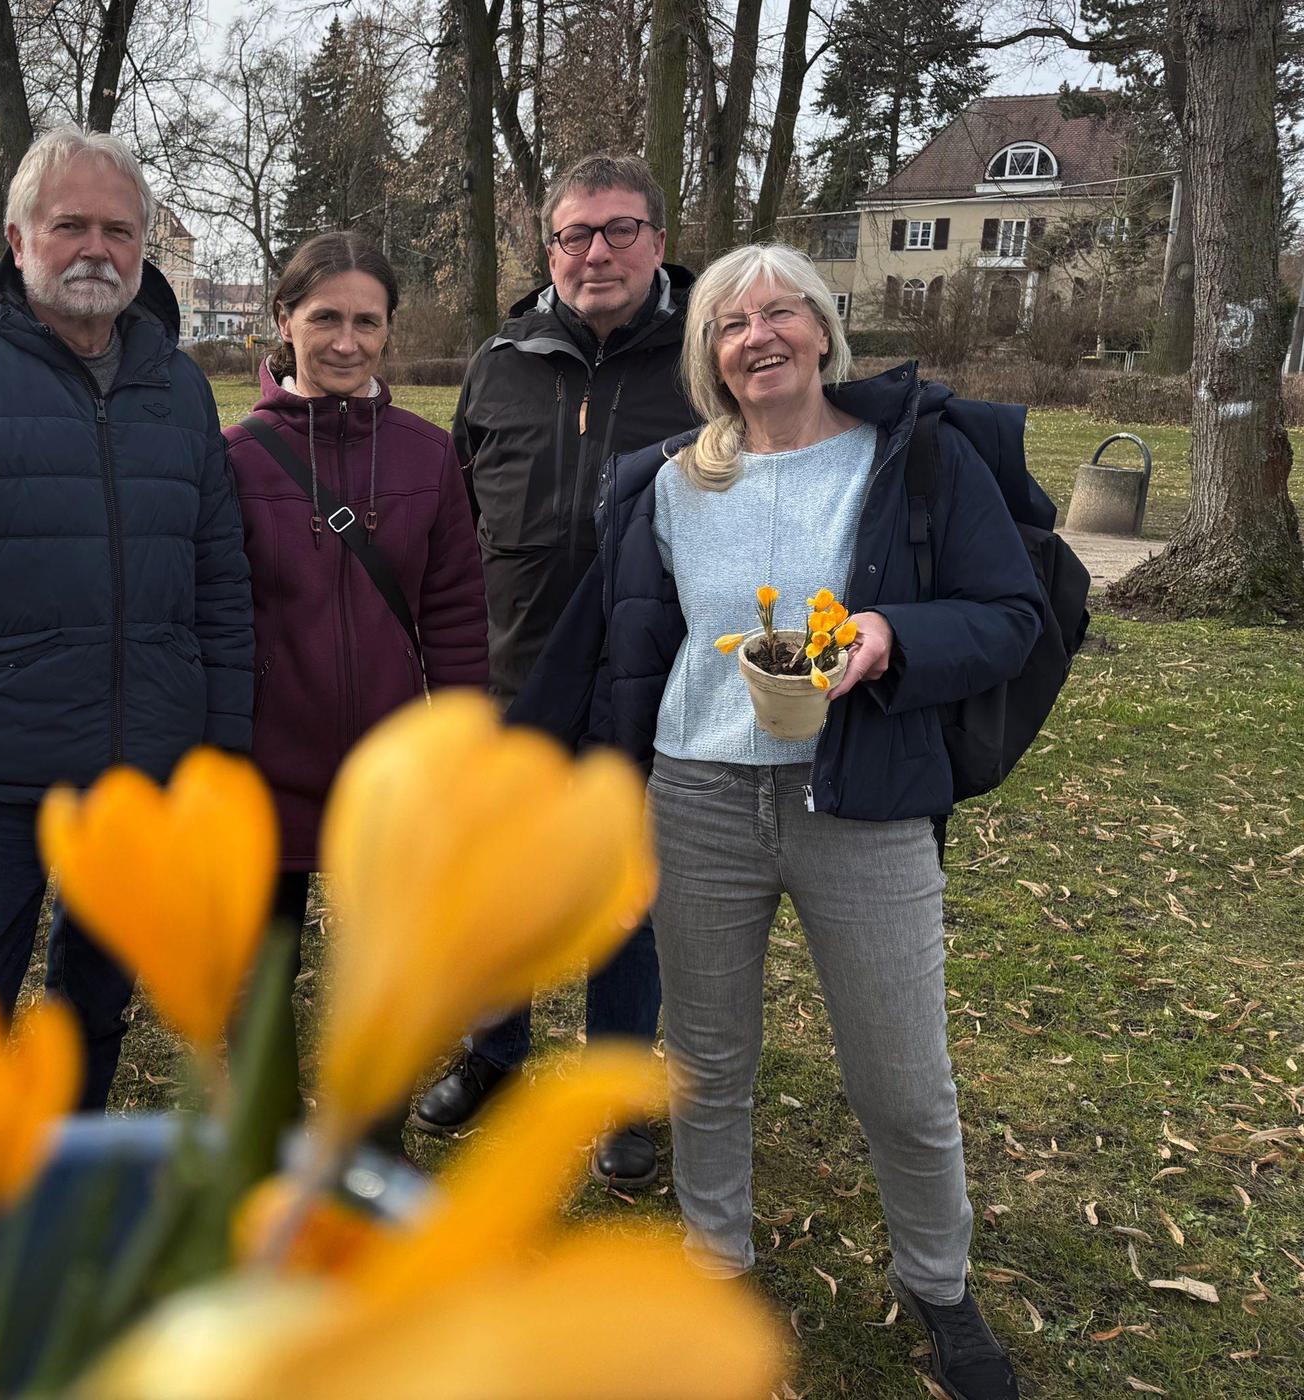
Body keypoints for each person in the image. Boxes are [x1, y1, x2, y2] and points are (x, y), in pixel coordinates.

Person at [514, 241, 1040, 1400]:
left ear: (822, 330)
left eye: (780, 312)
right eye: (730, 321)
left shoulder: (914, 460)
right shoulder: (664, 481)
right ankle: (715, 1264)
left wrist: (897, 636)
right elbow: (614, 649)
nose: (758, 334)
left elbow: (1010, 612)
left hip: (861, 798)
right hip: (697, 796)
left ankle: (940, 1284)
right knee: (707, 1058)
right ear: (709, 354)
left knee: (902, 1073)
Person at [0, 127, 252, 1111]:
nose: (95, 249)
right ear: (18, 237)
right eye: (69, 224)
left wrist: (220, 759)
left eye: (119, 230)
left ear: (143, 248)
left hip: (139, 779)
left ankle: (64, 1197)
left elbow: (220, 584)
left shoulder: (180, 391)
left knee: (93, 1009)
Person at [414, 152, 698, 1189]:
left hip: (652, 683)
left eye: (620, 230)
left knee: (626, 894)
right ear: (550, 251)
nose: (596, 253)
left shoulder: (706, 359)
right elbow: (452, 521)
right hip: (514, 674)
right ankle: (494, 1051)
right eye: (575, 235)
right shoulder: (501, 360)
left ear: (659, 242)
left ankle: (616, 1088)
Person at [224, 231, 487, 1062]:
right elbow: (215, 618)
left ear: (388, 331)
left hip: (394, 769)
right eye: (325, 317)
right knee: (261, 977)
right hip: (268, 766)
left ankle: (373, 1155)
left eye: (367, 322)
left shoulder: (428, 453)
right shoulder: (233, 459)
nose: (346, 341)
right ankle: (258, 1153)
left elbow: (454, 612)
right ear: (284, 320)